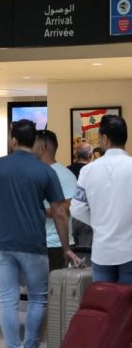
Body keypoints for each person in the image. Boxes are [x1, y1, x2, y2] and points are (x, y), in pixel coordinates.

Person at [0, 119, 82, 348]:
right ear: (34, 142)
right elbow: (59, 212)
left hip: (2, 244)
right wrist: (66, 247)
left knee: (8, 300)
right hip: (33, 244)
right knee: (38, 299)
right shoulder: (45, 171)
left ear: (13, 140)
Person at [71, 115, 132, 284]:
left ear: (105, 139)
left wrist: (98, 222)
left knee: (104, 299)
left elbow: (76, 209)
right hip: (129, 249)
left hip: (102, 251)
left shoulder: (88, 171)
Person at [34, 130, 78, 271]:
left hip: (55, 245)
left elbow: (70, 207)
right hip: (36, 243)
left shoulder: (64, 175)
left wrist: (37, 211)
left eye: (32, 145)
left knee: (54, 285)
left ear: (42, 148)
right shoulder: (35, 172)